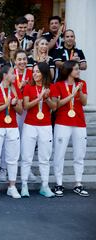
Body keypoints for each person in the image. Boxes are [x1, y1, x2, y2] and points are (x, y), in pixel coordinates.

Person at [0, 65, 23, 199]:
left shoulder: (15, 89)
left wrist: (14, 104)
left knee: (12, 158)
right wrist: (6, 105)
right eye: (13, 73)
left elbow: (20, 111)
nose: (15, 76)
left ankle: (12, 186)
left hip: (12, 126)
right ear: (5, 75)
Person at [52, 60, 89, 197]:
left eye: (78, 68)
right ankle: (58, 183)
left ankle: (78, 183)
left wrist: (79, 93)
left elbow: (84, 102)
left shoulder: (82, 84)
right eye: (76, 69)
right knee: (59, 154)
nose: (78, 71)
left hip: (79, 122)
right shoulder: (58, 85)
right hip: (62, 122)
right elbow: (57, 105)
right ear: (68, 71)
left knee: (79, 155)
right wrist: (71, 96)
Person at [21, 62, 57, 198]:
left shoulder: (51, 87)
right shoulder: (29, 88)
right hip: (30, 125)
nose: (35, 74)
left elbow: (55, 107)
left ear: (44, 73)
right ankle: (24, 185)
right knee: (27, 157)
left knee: (45, 157)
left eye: (37, 71)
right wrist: (39, 98)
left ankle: (45, 185)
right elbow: (25, 106)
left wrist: (46, 99)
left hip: (46, 125)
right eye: (33, 71)